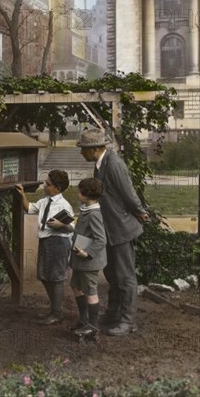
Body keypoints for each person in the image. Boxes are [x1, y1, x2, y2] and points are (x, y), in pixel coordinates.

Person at [77, 128, 149, 336]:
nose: (82, 153)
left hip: (121, 228)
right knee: (112, 274)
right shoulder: (101, 165)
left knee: (125, 276)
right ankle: (113, 314)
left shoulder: (114, 164)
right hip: (108, 228)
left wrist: (139, 212)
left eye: (84, 149)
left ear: (95, 149)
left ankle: (128, 321)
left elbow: (128, 192)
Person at [16, 169, 74, 325]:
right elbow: (28, 208)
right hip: (46, 242)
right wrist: (22, 195)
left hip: (58, 242)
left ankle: (57, 313)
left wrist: (61, 224)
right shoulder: (44, 201)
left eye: (48, 184)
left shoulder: (64, 205)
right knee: (44, 275)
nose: (44, 185)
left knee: (56, 278)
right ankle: (54, 309)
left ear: (57, 188)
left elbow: (71, 227)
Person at [70, 178, 107, 338]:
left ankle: (93, 326)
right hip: (80, 260)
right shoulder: (87, 209)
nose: (77, 193)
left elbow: (101, 239)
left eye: (79, 191)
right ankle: (84, 319)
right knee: (76, 287)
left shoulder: (94, 214)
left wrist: (87, 253)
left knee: (90, 291)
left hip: (88, 261)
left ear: (86, 195)